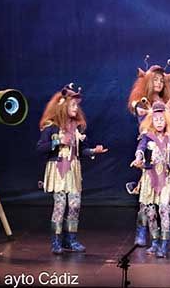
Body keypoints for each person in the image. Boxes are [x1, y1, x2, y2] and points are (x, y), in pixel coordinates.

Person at [125, 57, 170, 247]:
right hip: (151, 150)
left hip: (169, 150)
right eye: (155, 80)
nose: (158, 83)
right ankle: (141, 232)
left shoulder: (169, 102)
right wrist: (161, 112)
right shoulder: (141, 102)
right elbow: (140, 117)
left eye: (161, 81)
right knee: (146, 196)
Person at [36, 83, 108, 254]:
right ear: (63, 106)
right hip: (58, 168)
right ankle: (56, 241)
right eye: (73, 104)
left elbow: (81, 150)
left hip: (73, 169)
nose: (76, 108)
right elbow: (40, 147)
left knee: (75, 204)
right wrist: (58, 142)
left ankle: (71, 239)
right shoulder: (51, 126)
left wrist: (93, 151)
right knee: (60, 205)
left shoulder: (77, 128)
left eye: (77, 105)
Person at [130, 101, 170, 258]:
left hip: (164, 179)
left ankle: (164, 245)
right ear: (151, 120)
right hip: (149, 179)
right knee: (151, 213)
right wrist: (138, 158)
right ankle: (154, 242)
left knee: (164, 211)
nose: (159, 122)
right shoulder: (147, 137)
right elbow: (140, 149)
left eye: (162, 119)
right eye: (156, 119)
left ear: (166, 120)